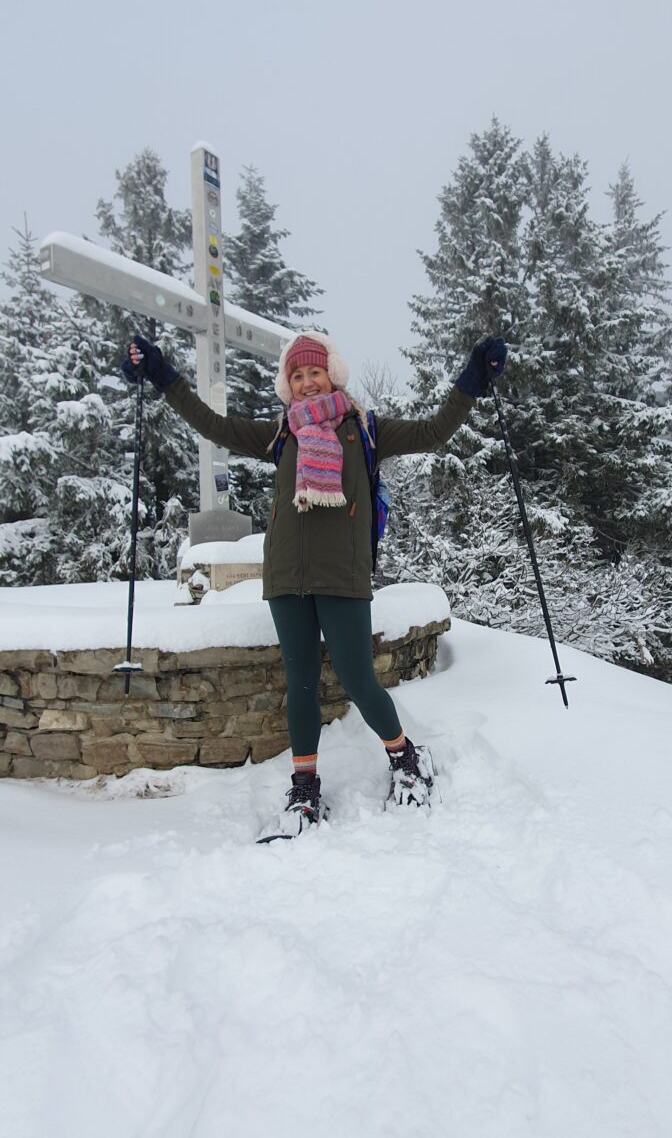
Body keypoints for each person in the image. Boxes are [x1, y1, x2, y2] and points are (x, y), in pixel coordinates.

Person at [123, 329, 507, 832]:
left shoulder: (366, 429)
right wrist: (161, 374)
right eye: (297, 375)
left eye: (314, 372)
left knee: (357, 680)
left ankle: (406, 757)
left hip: (342, 576)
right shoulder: (280, 433)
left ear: (333, 375)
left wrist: (472, 378)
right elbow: (212, 424)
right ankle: (305, 787)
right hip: (286, 578)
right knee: (300, 684)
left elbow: (434, 431)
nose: (306, 382)